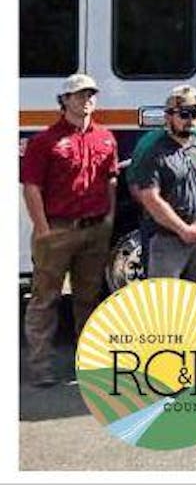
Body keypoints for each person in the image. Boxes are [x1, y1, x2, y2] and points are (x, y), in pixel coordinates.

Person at [21, 74, 119, 387]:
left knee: (88, 299)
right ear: (64, 101)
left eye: (91, 94)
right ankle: (41, 368)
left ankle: (88, 366)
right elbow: (32, 187)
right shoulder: (44, 141)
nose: (86, 100)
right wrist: (43, 229)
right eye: (78, 95)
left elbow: (111, 181)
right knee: (45, 300)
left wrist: (109, 220)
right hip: (57, 231)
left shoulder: (106, 137)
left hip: (95, 229)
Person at [132, 85, 196, 288]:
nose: (190, 119)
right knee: (165, 305)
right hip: (167, 239)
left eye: (195, 113)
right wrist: (182, 229)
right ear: (169, 117)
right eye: (184, 114)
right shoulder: (154, 151)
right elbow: (150, 197)